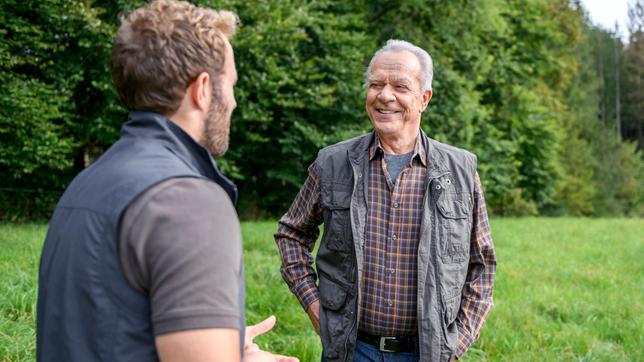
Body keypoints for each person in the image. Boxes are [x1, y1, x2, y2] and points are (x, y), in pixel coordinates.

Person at [36, 1, 296, 361]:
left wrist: (220, 341)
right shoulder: (189, 200)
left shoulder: (86, 184)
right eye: (232, 84)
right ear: (202, 88)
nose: (234, 101)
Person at [275, 39, 496, 362]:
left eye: (400, 86)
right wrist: (314, 307)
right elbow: (291, 234)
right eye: (376, 84)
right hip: (352, 350)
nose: (385, 95)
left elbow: (483, 264)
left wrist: (456, 343)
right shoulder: (332, 163)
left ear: (424, 98)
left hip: (428, 352)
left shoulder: (460, 170)